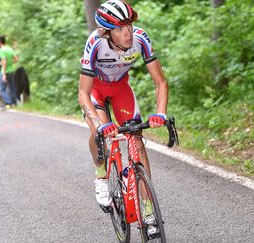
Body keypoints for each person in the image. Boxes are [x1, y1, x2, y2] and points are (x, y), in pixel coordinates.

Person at [77, 0, 168, 230]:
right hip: (96, 90)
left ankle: (147, 209)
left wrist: (160, 113)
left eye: (128, 25)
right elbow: (83, 93)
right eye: (119, 28)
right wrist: (98, 124)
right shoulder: (96, 43)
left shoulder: (141, 39)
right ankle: (101, 175)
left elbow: (160, 81)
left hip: (120, 89)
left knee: (136, 140)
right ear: (106, 32)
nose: (127, 33)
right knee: (102, 135)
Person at [0, 35, 18, 107]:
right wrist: (10, 62)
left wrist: (3, 74)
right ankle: (14, 102)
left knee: (2, 89)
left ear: (0, 42)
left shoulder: (1, 50)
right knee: (12, 87)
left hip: (5, 71)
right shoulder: (9, 49)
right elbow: (16, 59)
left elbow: (4, 61)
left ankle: (8, 102)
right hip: (11, 70)